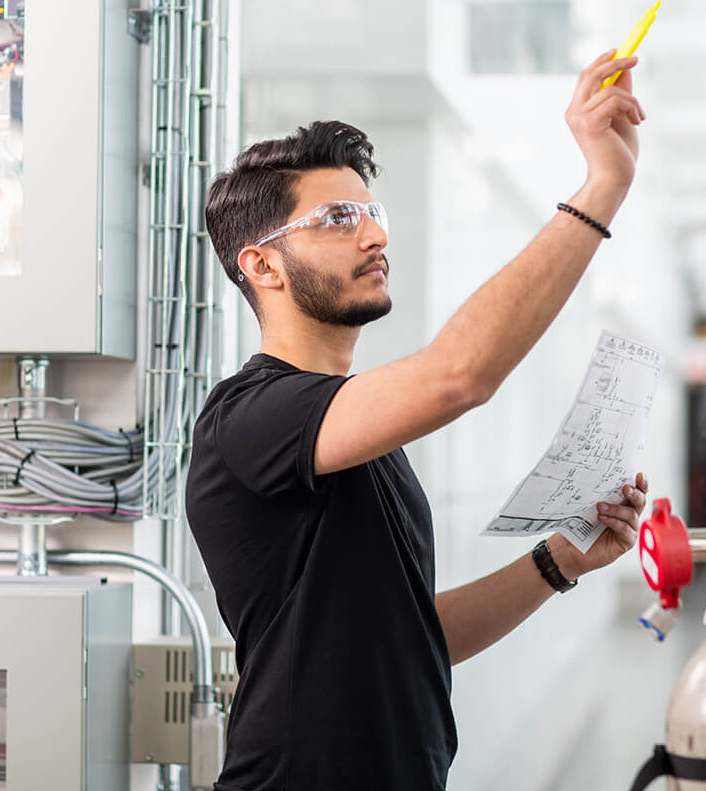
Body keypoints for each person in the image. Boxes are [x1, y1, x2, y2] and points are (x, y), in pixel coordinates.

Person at [186, 50, 649, 791]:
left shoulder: (359, 440)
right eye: (339, 218)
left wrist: (561, 559)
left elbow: (414, 638)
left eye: (374, 213)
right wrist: (602, 187)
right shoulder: (247, 419)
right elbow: (457, 377)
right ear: (262, 266)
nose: (375, 237)